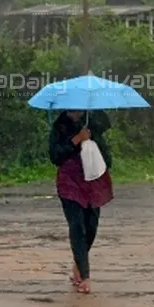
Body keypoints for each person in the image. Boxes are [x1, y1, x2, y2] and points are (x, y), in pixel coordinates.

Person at [49, 109, 115, 294]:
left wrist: (90, 134)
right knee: (77, 226)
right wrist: (76, 140)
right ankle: (85, 276)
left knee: (91, 226)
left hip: (93, 181)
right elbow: (55, 155)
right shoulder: (59, 126)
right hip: (70, 182)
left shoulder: (92, 119)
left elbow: (105, 149)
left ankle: (78, 263)